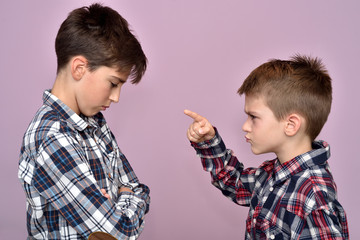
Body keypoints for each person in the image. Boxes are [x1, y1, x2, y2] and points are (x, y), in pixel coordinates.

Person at [18, 3, 150, 239]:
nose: (116, 97)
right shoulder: (51, 138)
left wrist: (124, 198)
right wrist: (127, 195)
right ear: (79, 68)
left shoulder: (95, 122)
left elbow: (138, 188)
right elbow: (119, 233)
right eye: (113, 83)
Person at [184, 55, 349, 239]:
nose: (245, 126)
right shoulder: (271, 173)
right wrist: (209, 140)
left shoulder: (315, 197)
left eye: (253, 117)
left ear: (291, 125)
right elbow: (234, 182)